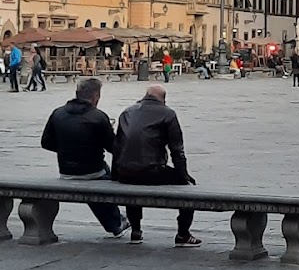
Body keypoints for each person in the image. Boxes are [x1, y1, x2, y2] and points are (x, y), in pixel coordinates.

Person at [112, 84, 199, 246]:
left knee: (133, 185)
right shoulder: (168, 114)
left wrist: (116, 175)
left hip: (125, 172)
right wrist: (184, 176)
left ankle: (136, 230)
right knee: (188, 189)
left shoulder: (127, 112)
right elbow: (177, 150)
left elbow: (117, 147)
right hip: (152, 171)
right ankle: (183, 233)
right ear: (163, 100)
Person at [41, 78, 129, 238]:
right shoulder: (99, 117)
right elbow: (113, 148)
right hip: (93, 171)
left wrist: (64, 148)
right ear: (95, 96)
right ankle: (116, 222)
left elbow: (46, 142)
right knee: (103, 177)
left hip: (66, 171)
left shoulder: (58, 113)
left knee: (98, 178)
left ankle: (116, 222)